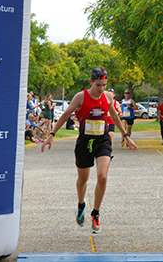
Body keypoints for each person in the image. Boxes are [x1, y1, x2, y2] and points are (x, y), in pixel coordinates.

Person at [41, 67, 138, 234]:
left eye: (104, 85)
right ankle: (81, 205)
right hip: (85, 142)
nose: (101, 89)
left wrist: (125, 136)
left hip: (103, 140)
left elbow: (114, 116)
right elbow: (65, 116)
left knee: (102, 176)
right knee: (83, 180)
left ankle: (95, 212)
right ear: (91, 82)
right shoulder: (81, 97)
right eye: (98, 85)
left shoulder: (108, 96)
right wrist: (51, 134)